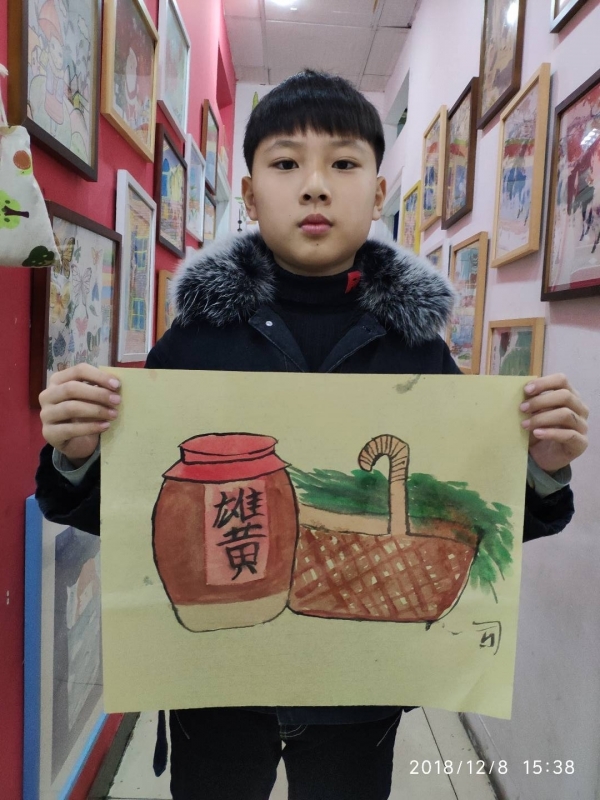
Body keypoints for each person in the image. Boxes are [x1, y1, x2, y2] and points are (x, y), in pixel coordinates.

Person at [35, 70, 589, 800]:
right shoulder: (194, 341)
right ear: (249, 192)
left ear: (379, 193)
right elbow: (121, 511)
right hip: (216, 686)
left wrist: (541, 467)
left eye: (344, 163)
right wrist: (76, 456)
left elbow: (483, 520)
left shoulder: (420, 351)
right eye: (287, 163)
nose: (316, 187)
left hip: (358, 691)